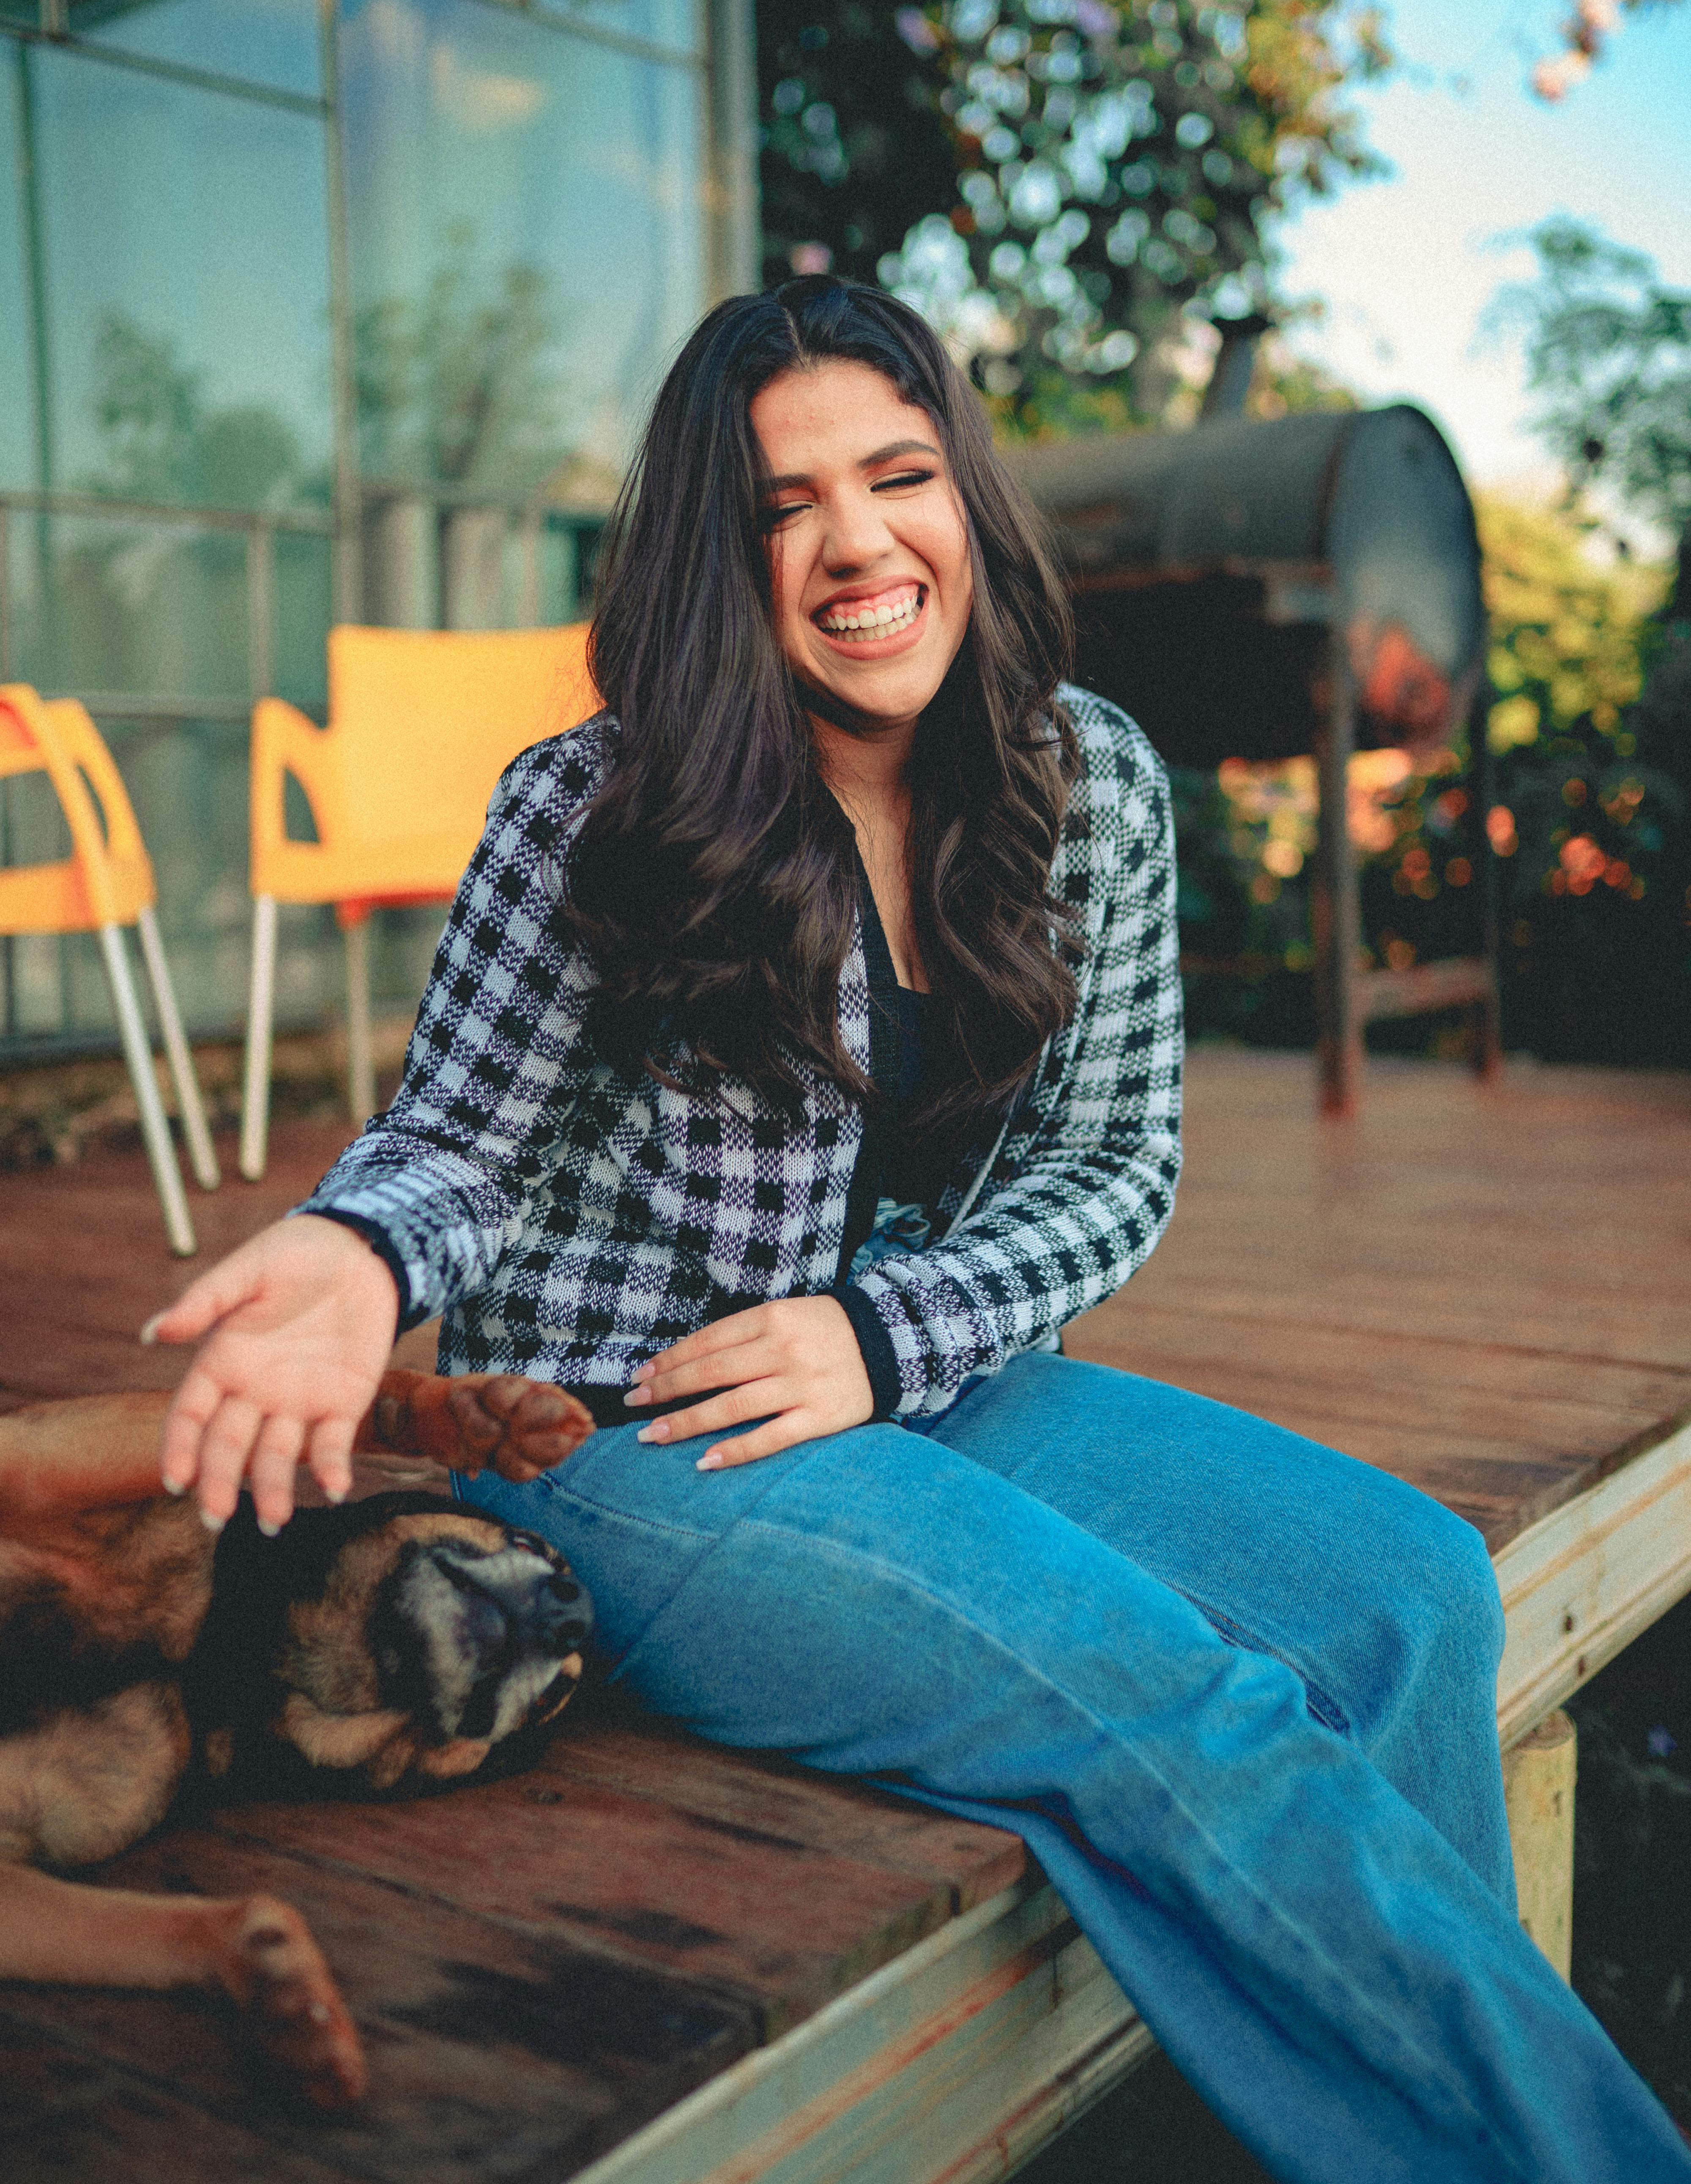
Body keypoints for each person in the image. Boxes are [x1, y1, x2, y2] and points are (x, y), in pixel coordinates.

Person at [148, 279, 1689, 2182]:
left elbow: (1115, 1165)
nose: (857, 542)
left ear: (966, 494)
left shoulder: (1092, 779)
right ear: (722, 559)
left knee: (1413, 1594)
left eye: (897, 476)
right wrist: (359, 1258)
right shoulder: (590, 809)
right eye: (784, 505)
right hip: (637, 1429)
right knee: (1171, 1706)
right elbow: (461, 1140)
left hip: (923, 1376)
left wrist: (884, 1337)